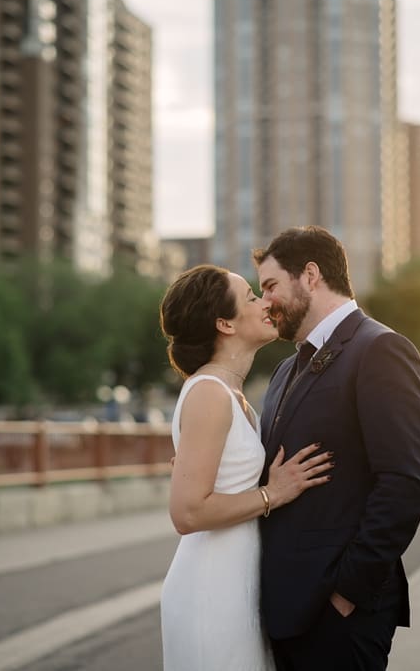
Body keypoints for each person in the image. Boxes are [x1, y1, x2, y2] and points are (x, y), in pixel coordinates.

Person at [253, 225, 420, 670]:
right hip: (286, 609)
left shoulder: (381, 349)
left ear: (311, 276)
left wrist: (345, 593)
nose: (265, 302)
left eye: (271, 286)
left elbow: (406, 485)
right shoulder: (283, 372)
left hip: (340, 613)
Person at [158, 265, 333, 670]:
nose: (265, 302)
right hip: (211, 589)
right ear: (225, 324)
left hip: (240, 583)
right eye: (251, 297)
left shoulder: (235, 396)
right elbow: (186, 513)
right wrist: (275, 492)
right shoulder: (209, 394)